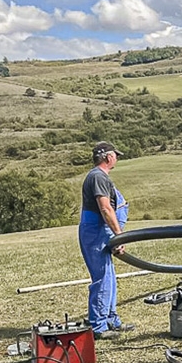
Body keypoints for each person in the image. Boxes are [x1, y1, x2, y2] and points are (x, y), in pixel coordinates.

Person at [79, 141, 134, 340]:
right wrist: (119, 236)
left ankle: (111, 320)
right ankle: (98, 326)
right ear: (108, 157)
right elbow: (105, 208)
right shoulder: (97, 177)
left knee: (109, 277)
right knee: (102, 278)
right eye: (115, 155)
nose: (116, 159)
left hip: (101, 231)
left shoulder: (100, 177)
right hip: (95, 232)